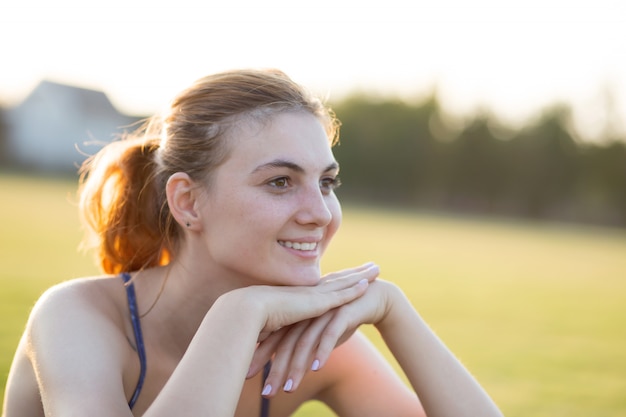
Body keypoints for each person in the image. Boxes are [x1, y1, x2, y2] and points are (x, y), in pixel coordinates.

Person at [2, 68, 503, 417]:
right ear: (188, 202)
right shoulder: (75, 318)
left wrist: (394, 309)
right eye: (280, 182)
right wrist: (240, 314)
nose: (320, 213)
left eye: (326, 183)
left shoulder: (312, 347)